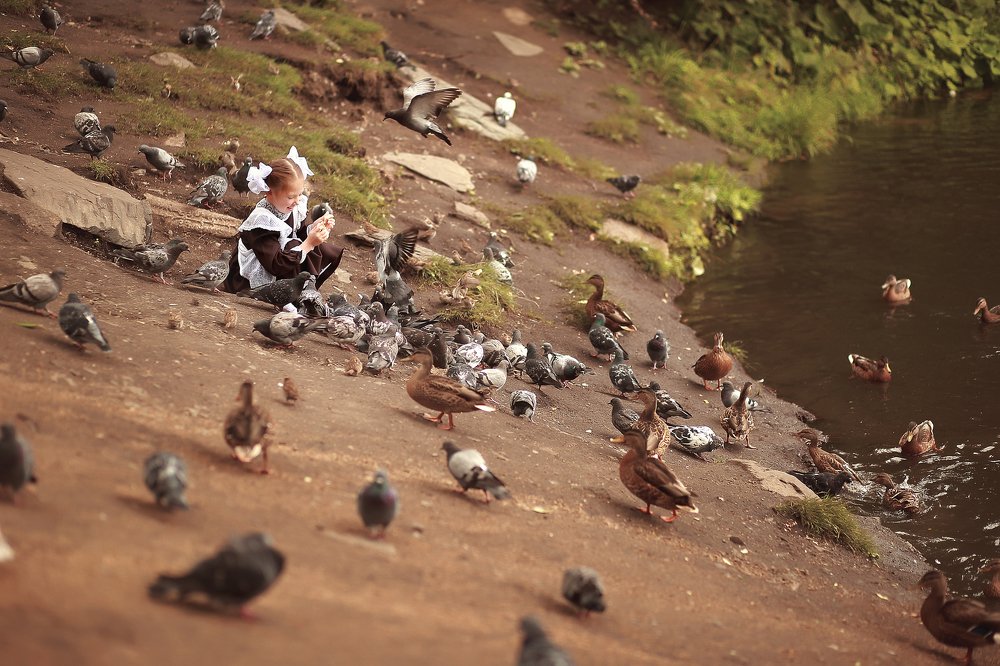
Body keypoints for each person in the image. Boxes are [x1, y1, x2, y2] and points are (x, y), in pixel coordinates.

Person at [222, 147, 343, 298]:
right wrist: (308, 244)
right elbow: (275, 264)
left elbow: (296, 232)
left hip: (280, 259)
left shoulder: (290, 207)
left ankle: (297, 291)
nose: (297, 201)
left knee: (309, 246)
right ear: (269, 191)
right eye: (291, 196)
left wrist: (314, 227)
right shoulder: (261, 222)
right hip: (254, 276)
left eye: (299, 194)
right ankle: (282, 295)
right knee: (298, 246)